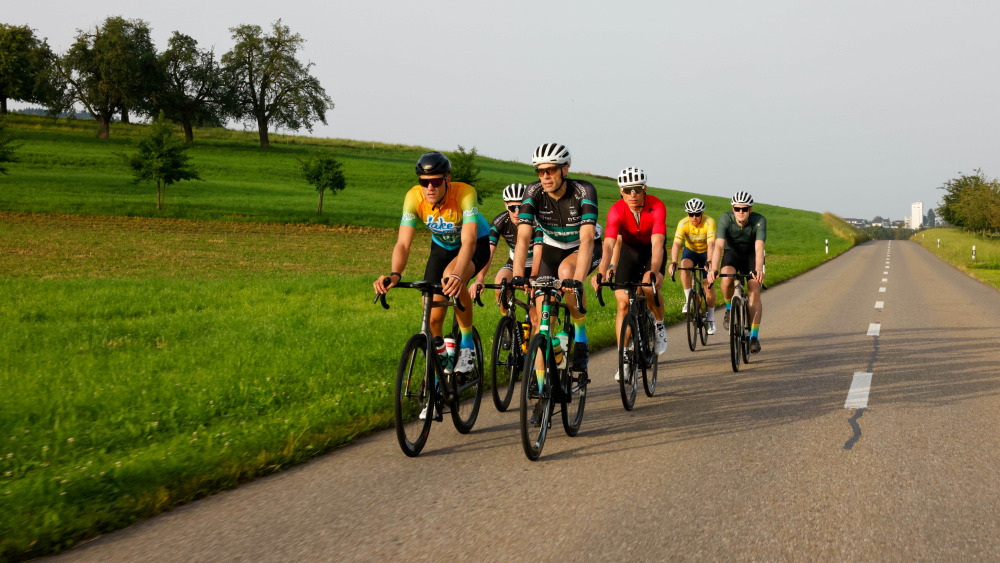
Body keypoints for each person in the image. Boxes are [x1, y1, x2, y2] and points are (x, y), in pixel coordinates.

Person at [373, 152, 492, 410]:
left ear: (447, 180)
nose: (429, 187)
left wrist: (460, 275)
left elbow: (469, 241)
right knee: (432, 319)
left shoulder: (464, 193)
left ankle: (468, 344)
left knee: (452, 279)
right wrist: (394, 273)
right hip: (440, 248)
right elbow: (403, 243)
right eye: (424, 181)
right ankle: (441, 380)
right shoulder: (413, 197)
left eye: (436, 182)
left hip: (474, 246)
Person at [512, 143, 602, 373]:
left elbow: (587, 240)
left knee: (567, 274)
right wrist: (517, 276)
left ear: (565, 169)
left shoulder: (584, 191)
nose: (544, 176)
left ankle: (580, 339)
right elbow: (523, 238)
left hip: (582, 247)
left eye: (550, 170)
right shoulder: (532, 192)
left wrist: (579, 280)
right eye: (540, 171)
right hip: (552, 249)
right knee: (544, 321)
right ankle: (542, 387)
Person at [592, 167, 668, 382]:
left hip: (652, 251)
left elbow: (658, 243)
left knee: (647, 286)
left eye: (636, 189)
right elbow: (608, 244)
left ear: (644, 189)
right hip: (630, 251)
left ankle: (659, 325)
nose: (632, 194)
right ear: (621, 192)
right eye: (627, 190)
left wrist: (654, 271)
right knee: (623, 302)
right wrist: (601, 271)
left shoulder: (657, 206)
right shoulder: (616, 210)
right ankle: (624, 359)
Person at [706, 191, 766, 353]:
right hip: (732, 253)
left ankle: (754, 336)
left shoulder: (759, 220)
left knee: (754, 289)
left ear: (750, 209)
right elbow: (718, 246)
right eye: (737, 208)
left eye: (744, 209)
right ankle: (729, 309)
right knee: (726, 279)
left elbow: (759, 247)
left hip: (752, 255)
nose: (740, 212)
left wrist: (759, 269)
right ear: (733, 208)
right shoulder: (726, 219)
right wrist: (713, 268)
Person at [472, 183, 542, 316]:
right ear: (506, 206)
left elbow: (539, 253)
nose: (517, 212)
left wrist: (533, 277)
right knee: (500, 285)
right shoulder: (500, 221)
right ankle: (510, 325)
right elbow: (489, 252)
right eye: (512, 207)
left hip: (538, 265)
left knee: (535, 316)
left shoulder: (536, 222)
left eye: (521, 207)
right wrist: (480, 278)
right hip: (514, 262)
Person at [667, 198, 718, 335]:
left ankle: (711, 320)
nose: (694, 217)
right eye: (691, 214)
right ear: (687, 214)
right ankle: (689, 300)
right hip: (691, 252)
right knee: (684, 267)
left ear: (702, 213)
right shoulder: (683, 223)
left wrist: (709, 261)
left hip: (707, 253)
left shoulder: (709, 222)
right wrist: (674, 262)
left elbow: (711, 244)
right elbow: (676, 244)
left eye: (697, 214)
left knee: (708, 287)